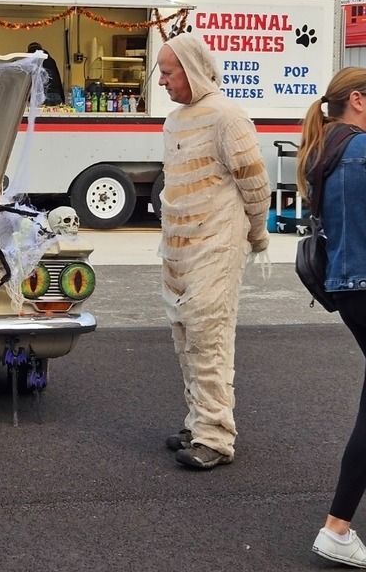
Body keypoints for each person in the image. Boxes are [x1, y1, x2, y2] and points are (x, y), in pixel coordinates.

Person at [157, 33, 270, 470]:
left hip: (216, 246)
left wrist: (257, 236)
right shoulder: (175, 121)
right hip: (177, 250)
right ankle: (199, 421)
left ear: (193, 69)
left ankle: (216, 438)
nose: (162, 80)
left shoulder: (227, 116)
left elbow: (255, 185)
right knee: (186, 338)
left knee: (210, 338)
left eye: (168, 72)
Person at [296, 68, 366, 567]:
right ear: (358, 100)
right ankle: (337, 526)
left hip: (348, 287)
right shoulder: (360, 150)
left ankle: (338, 525)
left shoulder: (327, 150)